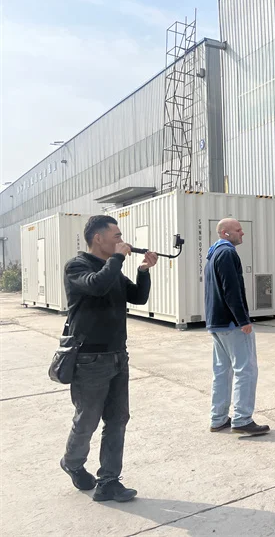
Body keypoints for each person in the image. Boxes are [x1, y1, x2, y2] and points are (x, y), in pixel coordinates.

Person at [60, 215, 157, 502]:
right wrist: (117, 259)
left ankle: (109, 481)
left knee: (117, 419)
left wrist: (143, 271)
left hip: (117, 355)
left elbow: (137, 297)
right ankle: (72, 462)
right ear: (98, 238)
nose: (121, 241)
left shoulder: (111, 268)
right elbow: (97, 286)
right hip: (89, 358)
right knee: (87, 420)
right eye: (116, 236)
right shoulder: (77, 266)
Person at [205, 218, 269, 436]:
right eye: (238, 230)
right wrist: (243, 320)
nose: (242, 233)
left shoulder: (213, 254)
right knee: (246, 369)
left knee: (222, 372)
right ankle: (242, 419)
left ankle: (218, 419)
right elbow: (231, 289)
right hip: (232, 323)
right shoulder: (227, 253)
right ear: (225, 233)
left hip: (217, 323)